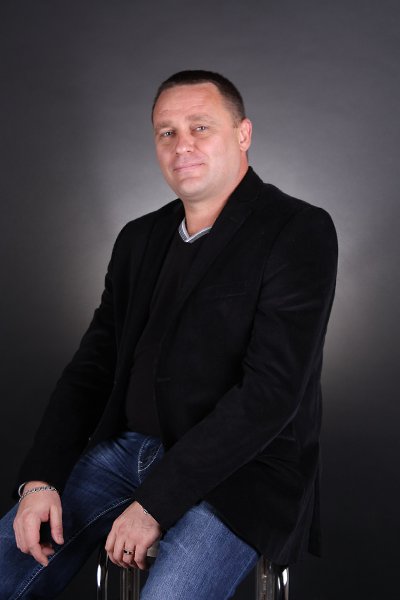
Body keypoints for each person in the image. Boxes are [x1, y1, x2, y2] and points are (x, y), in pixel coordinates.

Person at [0, 70, 338, 599]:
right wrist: (40, 479)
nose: (182, 145)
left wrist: (155, 504)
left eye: (200, 127)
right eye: (167, 132)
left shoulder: (297, 230)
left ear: (243, 133)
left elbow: (270, 395)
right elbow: (91, 369)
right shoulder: (139, 238)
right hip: (126, 452)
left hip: (242, 472)